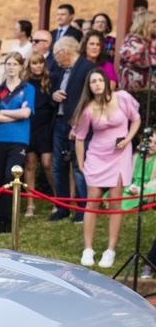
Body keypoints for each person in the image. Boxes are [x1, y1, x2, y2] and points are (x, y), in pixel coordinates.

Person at [73, 70, 141, 268]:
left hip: (120, 156)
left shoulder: (123, 98)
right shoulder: (88, 109)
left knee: (115, 203)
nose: (97, 84)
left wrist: (128, 139)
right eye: (93, 81)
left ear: (106, 82)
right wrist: (81, 163)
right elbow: (80, 138)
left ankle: (110, 250)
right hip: (96, 156)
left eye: (100, 80)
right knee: (92, 202)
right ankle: (88, 248)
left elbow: (136, 119)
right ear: (89, 86)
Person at [0, 51, 35, 233]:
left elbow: (26, 113)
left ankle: (10, 218)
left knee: (10, 176)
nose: (11, 67)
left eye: (15, 64)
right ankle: (0, 219)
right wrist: (14, 114)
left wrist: (3, 113)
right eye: (8, 64)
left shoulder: (28, 88)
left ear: (21, 67)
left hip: (18, 139)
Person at [50, 35, 95, 221]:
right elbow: (53, 92)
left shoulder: (87, 68)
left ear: (64, 51)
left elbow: (91, 99)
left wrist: (78, 123)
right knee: (57, 166)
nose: (56, 58)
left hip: (78, 124)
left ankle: (83, 209)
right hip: (60, 122)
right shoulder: (62, 71)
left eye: (56, 54)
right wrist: (54, 95)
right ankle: (62, 207)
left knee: (78, 166)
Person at [23, 51, 56, 217]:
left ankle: (57, 199)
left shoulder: (50, 81)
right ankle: (30, 204)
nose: (37, 66)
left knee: (47, 163)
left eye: (40, 63)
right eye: (34, 63)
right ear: (29, 66)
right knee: (29, 164)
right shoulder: (25, 84)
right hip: (29, 125)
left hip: (46, 127)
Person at [119, 10, 156, 91]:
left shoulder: (153, 40)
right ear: (144, 24)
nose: (155, 24)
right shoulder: (132, 40)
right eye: (153, 22)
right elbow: (133, 58)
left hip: (151, 89)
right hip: (133, 88)